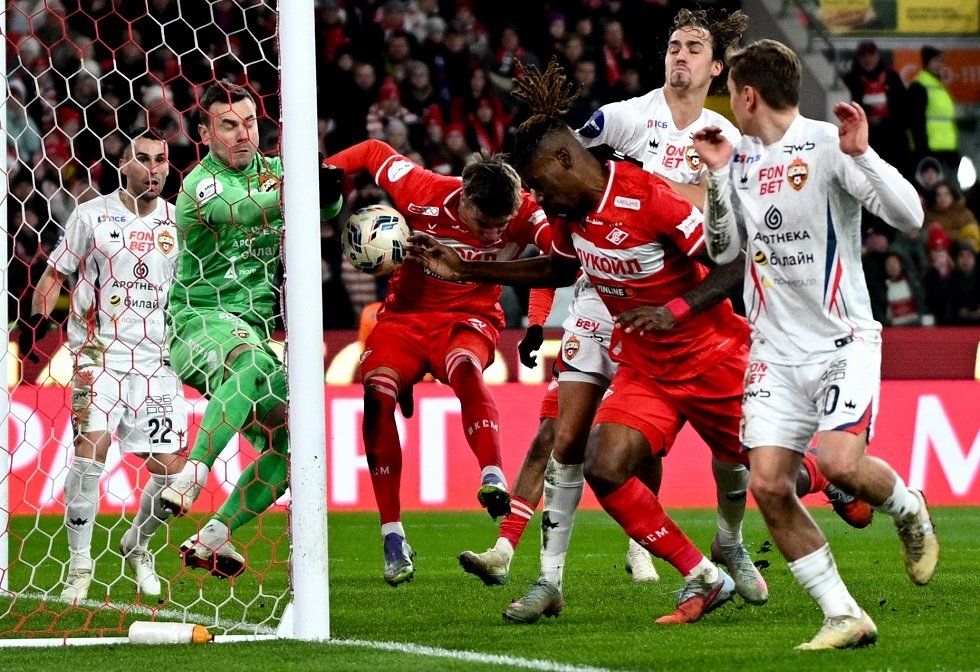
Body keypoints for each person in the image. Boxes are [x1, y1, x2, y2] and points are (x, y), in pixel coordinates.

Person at [459, 9, 869, 606]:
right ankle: (545, 575)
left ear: (717, 67)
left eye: (693, 48)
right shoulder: (626, 117)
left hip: (682, 303)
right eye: (674, 45)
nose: (680, 55)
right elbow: (562, 166)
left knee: (732, 456)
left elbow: (739, 224)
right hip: (602, 298)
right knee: (566, 436)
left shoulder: (726, 137)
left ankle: (729, 540)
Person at [412, 59, 753, 626]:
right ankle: (557, 578)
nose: (540, 201)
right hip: (619, 329)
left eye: (541, 186)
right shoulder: (583, 190)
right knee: (573, 443)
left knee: (766, 468)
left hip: (698, 344)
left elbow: (731, 261)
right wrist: (469, 268)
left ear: (565, 161)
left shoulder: (655, 188)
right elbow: (559, 266)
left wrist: (674, 310)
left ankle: (786, 512)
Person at [692, 39, 939, 650]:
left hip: (841, 342)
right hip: (774, 353)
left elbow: (911, 217)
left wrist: (865, 154)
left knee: (840, 465)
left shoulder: (829, 145)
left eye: (732, 93)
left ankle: (909, 509)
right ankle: (843, 614)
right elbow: (722, 252)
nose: (730, 103)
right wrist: (718, 178)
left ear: (749, 96)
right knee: (769, 484)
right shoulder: (739, 161)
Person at [323, 138, 553, 587]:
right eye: (484, 224)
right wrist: (326, 171)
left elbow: (560, 259)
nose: (494, 235)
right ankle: (393, 536)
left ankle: (492, 475)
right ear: (464, 198)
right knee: (377, 397)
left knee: (464, 366)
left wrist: (538, 321)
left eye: (501, 226)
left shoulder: (527, 214)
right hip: (405, 319)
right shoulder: (423, 190)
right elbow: (372, 151)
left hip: (470, 317)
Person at [159, 79, 344, 578]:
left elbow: (326, 211)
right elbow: (242, 211)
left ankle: (214, 535)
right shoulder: (200, 184)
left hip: (257, 331)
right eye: (228, 125)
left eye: (250, 123)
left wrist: (327, 188)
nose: (243, 134)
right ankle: (193, 473)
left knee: (295, 445)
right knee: (248, 362)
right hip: (199, 324)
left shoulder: (277, 171)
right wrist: (300, 188)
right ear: (205, 133)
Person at [19, 128, 186, 601]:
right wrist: (33, 328)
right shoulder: (91, 215)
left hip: (158, 361)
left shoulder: (178, 222)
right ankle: (79, 565)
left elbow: (189, 292)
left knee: (171, 473)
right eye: (143, 159)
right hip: (99, 355)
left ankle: (138, 546)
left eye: (160, 160)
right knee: (90, 451)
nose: (153, 169)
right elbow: (55, 273)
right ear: (123, 165)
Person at [842, 40, 912, 177]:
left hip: (894, 141)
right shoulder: (850, 80)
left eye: (871, 55)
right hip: (865, 141)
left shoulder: (892, 77)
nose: (868, 60)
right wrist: (866, 120)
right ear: (858, 58)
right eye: (863, 56)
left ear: (878, 56)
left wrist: (885, 122)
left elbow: (905, 111)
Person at [908, 45, 959, 176]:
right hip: (930, 149)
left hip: (945, 148)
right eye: (936, 61)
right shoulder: (920, 85)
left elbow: (947, 120)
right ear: (927, 62)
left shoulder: (938, 85)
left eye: (941, 61)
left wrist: (953, 149)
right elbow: (916, 120)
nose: (940, 65)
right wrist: (923, 151)